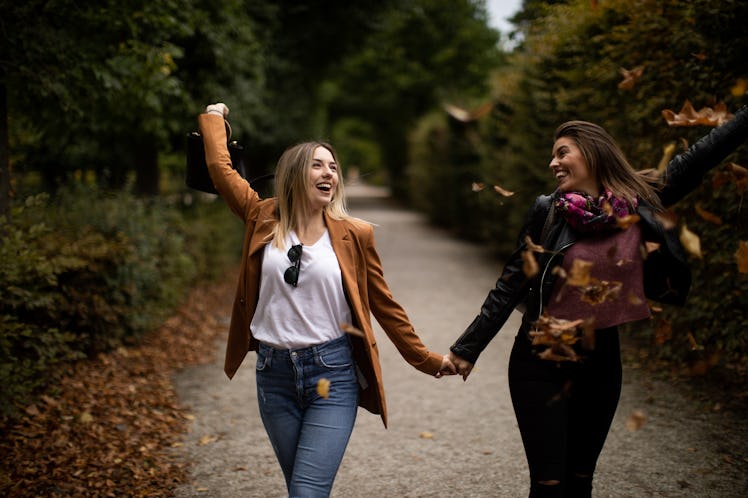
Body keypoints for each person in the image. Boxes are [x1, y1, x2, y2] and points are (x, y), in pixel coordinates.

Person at [447, 105, 748, 498]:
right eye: (553, 155)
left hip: (602, 360)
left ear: (591, 152)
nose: (552, 162)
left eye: (561, 152)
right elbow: (511, 283)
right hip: (539, 361)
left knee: (580, 481)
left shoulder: (640, 201)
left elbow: (700, 156)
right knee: (549, 483)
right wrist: (467, 349)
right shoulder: (548, 211)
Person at [197, 103, 455, 497]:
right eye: (318, 165)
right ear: (296, 174)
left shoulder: (355, 235)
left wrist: (427, 360)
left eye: (333, 167)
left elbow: (386, 307)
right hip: (273, 375)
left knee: (306, 490)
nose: (329, 174)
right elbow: (221, 170)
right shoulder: (260, 216)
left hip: (332, 375)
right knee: (299, 486)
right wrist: (215, 118)